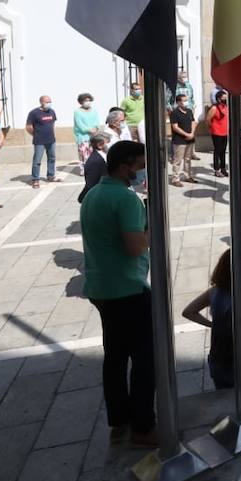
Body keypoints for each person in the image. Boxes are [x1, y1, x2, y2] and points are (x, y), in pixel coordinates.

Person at [80, 140, 157, 448]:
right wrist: (155, 227)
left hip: (101, 287)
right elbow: (135, 246)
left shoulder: (93, 195)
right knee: (144, 359)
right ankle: (142, 426)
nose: (141, 171)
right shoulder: (126, 200)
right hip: (127, 288)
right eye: (139, 165)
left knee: (114, 358)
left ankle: (119, 420)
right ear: (125, 166)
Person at [182, 249, 241, 389]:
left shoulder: (213, 292)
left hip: (218, 361)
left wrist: (213, 324)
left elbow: (188, 312)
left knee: (226, 404)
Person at [25, 95, 60, 189]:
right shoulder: (34, 113)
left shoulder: (52, 112)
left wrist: (52, 134)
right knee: (37, 160)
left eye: (50, 101)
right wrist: (36, 134)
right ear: (41, 102)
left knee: (52, 158)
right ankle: (35, 179)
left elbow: (53, 124)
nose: (49, 103)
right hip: (39, 141)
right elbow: (28, 127)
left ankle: (51, 175)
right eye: (47, 101)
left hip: (51, 140)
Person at [169, 92, 197, 185]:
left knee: (188, 159)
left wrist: (192, 133)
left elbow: (193, 122)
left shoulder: (189, 111)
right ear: (178, 102)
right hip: (179, 140)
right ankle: (175, 179)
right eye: (184, 101)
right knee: (177, 160)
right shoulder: (174, 113)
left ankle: (187, 175)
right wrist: (186, 134)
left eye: (187, 100)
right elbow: (175, 127)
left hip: (190, 139)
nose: (186, 102)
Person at [73, 93, 102, 168]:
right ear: (81, 101)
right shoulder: (77, 112)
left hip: (94, 136)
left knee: (94, 154)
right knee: (84, 154)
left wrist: (96, 128)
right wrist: (89, 130)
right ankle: (84, 169)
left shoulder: (94, 110)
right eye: (85, 100)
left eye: (89, 100)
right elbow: (80, 125)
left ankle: (93, 168)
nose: (88, 102)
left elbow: (97, 122)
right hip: (83, 137)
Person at [207, 90, 230, 177]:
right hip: (216, 132)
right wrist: (212, 128)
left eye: (225, 98)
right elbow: (208, 119)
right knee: (217, 151)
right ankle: (217, 170)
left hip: (225, 132)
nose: (225, 99)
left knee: (223, 151)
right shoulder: (214, 108)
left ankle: (223, 168)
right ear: (219, 99)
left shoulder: (226, 107)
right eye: (223, 98)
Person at [80, 134, 108, 201]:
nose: (108, 145)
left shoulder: (103, 156)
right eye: (107, 143)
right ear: (99, 145)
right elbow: (92, 184)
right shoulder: (95, 162)